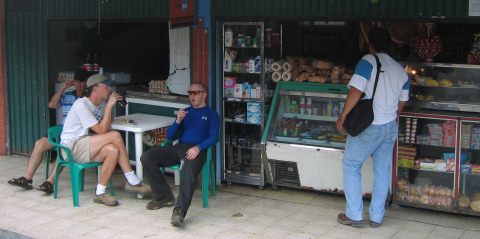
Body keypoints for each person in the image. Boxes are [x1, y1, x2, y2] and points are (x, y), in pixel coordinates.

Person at [335, 28, 409, 228]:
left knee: (351, 165)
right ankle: (376, 217)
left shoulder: (368, 61)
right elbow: (401, 104)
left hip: (369, 127)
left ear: (371, 45)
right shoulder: (401, 70)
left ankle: (354, 215)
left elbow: (356, 91)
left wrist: (342, 118)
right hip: (389, 127)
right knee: (382, 171)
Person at [60, 74, 151, 206]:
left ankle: (100, 193)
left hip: (86, 144)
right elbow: (102, 131)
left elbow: (106, 127)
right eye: (106, 85)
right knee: (115, 136)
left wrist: (109, 107)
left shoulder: (101, 104)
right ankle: (132, 179)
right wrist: (109, 107)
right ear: (95, 88)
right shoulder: (81, 104)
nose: (110, 89)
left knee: (112, 150)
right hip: (71, 147)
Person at [141, 82, 219, 227]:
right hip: (179, 147)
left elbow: (214, 137)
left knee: (188, 170)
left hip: (198, 150)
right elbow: (169, 137)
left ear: (204, 95)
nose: (192, 96)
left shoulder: (211, 114)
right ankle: (163, 196)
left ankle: (179, 211)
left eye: (196, 93)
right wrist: (177, 121)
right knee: (147, 157)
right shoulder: (185, 112)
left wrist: (198, 147)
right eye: (190, 93)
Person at [8, 68, 90, 194]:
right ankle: (27, 179)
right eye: (78, 81)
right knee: (39, 144)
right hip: (63, 130)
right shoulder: (69, 95)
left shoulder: (89, 98)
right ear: (74, 82)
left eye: (83, 81)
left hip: (77, 134)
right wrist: (62, 89)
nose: (80, 84)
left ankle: (50, 183)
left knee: (64, 150)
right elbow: (52, 105)